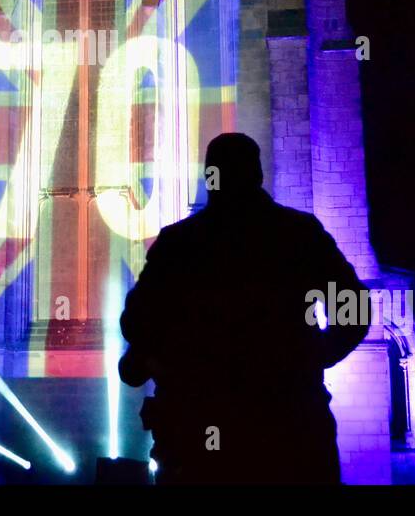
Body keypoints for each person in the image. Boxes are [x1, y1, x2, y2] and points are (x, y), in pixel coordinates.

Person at [119, 132, 369, 484]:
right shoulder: (299, 234)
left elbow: (136, 320)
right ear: (258, 175)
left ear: (211, 177)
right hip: (290, 425)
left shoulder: (179, 243)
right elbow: (354, 305)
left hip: (199, 430)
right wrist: (318, 354)